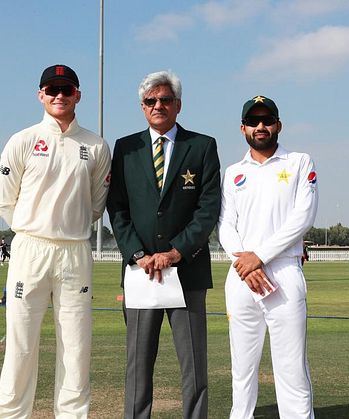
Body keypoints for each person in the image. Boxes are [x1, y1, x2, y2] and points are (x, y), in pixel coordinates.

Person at [0, 64, 111, 419]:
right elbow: (4, 200)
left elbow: (96, 204)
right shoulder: (23, 140)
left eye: (67, 89)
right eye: (52, 89)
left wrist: (65, 229)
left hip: (75, 252)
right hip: (30, 249)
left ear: (78, 95)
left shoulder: (95, 145)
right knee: (21, 345)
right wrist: (34, 229)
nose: (59, 96)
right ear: (40, 95)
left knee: (76, 347)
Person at [107, 70, 221, 419]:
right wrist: (139, 255)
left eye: (165, 100)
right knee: (138, 366)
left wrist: (176, 251)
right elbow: (117, 206)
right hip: (141, 273)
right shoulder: (126, 148)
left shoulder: (202, 146)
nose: (159, 105)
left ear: (178, 105)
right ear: (142, 108)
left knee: (194, 366)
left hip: (186, 271)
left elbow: (208, 208)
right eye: (151, 101)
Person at [218, 95, 319, 419]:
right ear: (242, 127)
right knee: (242, 368)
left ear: (278, 125)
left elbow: (303, 217)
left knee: (291, 367)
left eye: (267, 120)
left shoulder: (299, 162)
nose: (260, 126)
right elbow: (225, 225)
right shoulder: (234, 172)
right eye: (253, 121)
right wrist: (245, 262)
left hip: (283, 272)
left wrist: (259, 256)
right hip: (241, 276)